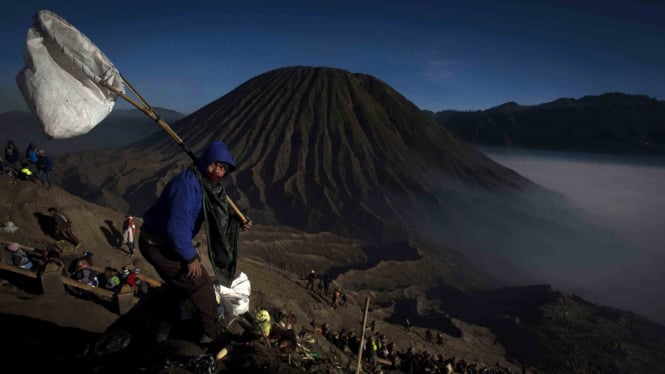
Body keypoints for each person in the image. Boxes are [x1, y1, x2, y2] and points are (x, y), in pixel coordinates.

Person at [139, 140, 252, 344]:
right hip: (158, 243)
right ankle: (210, 334)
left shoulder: (206, 185)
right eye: (215, 164)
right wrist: (190, 257)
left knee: (180, 286)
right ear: (205, 161)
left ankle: (162, 329)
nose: (219, 170)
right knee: (200, 284)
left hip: (166, 242)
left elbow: (216, 212)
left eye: (223, 167)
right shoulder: (187, 186)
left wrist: (236, 221)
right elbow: (176, 229)